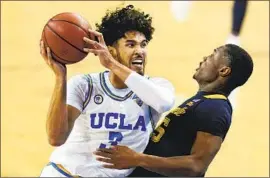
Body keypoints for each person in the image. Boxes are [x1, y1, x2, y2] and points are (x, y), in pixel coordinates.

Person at [39, 5, 175, 177]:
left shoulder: (157, 86)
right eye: (131, 44)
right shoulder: (85, 85)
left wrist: (111, 63)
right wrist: (60, 77)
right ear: (111, 51)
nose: (140, 51)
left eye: (143, 45)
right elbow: (55, 138)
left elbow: (164, 103)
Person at [94, 44, 254, 177]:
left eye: (212, 56)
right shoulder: (205, 101)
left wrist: (137, 159)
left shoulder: (216, 109)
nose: (205, 59)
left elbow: (196, 166)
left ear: (224, 71)